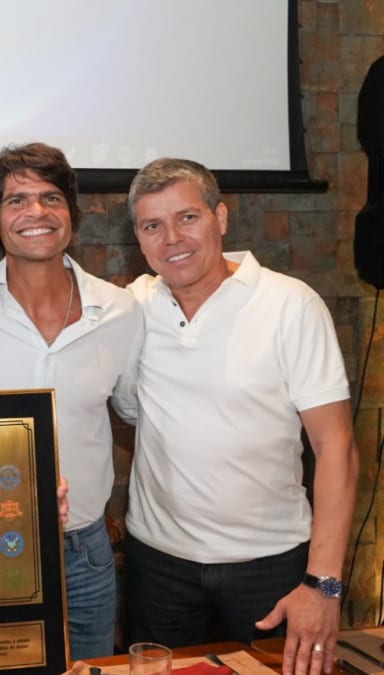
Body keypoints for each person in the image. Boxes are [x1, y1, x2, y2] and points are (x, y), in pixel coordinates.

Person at [123, 158, 358, 675]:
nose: (172, 238)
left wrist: (323, 585)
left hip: (272, 568)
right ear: (138, 238)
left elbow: (336, 447)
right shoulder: (133, 306)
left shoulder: (290, 305)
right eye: (152, 225)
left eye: (188, 217)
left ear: (221, 217)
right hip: (158, 569)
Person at [0, 142, 142, 659]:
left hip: (84, 553)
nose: (36, 211)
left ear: (71, 216)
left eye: (51, 198)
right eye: (17, 200)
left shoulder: (119, 311)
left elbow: (134, 409)